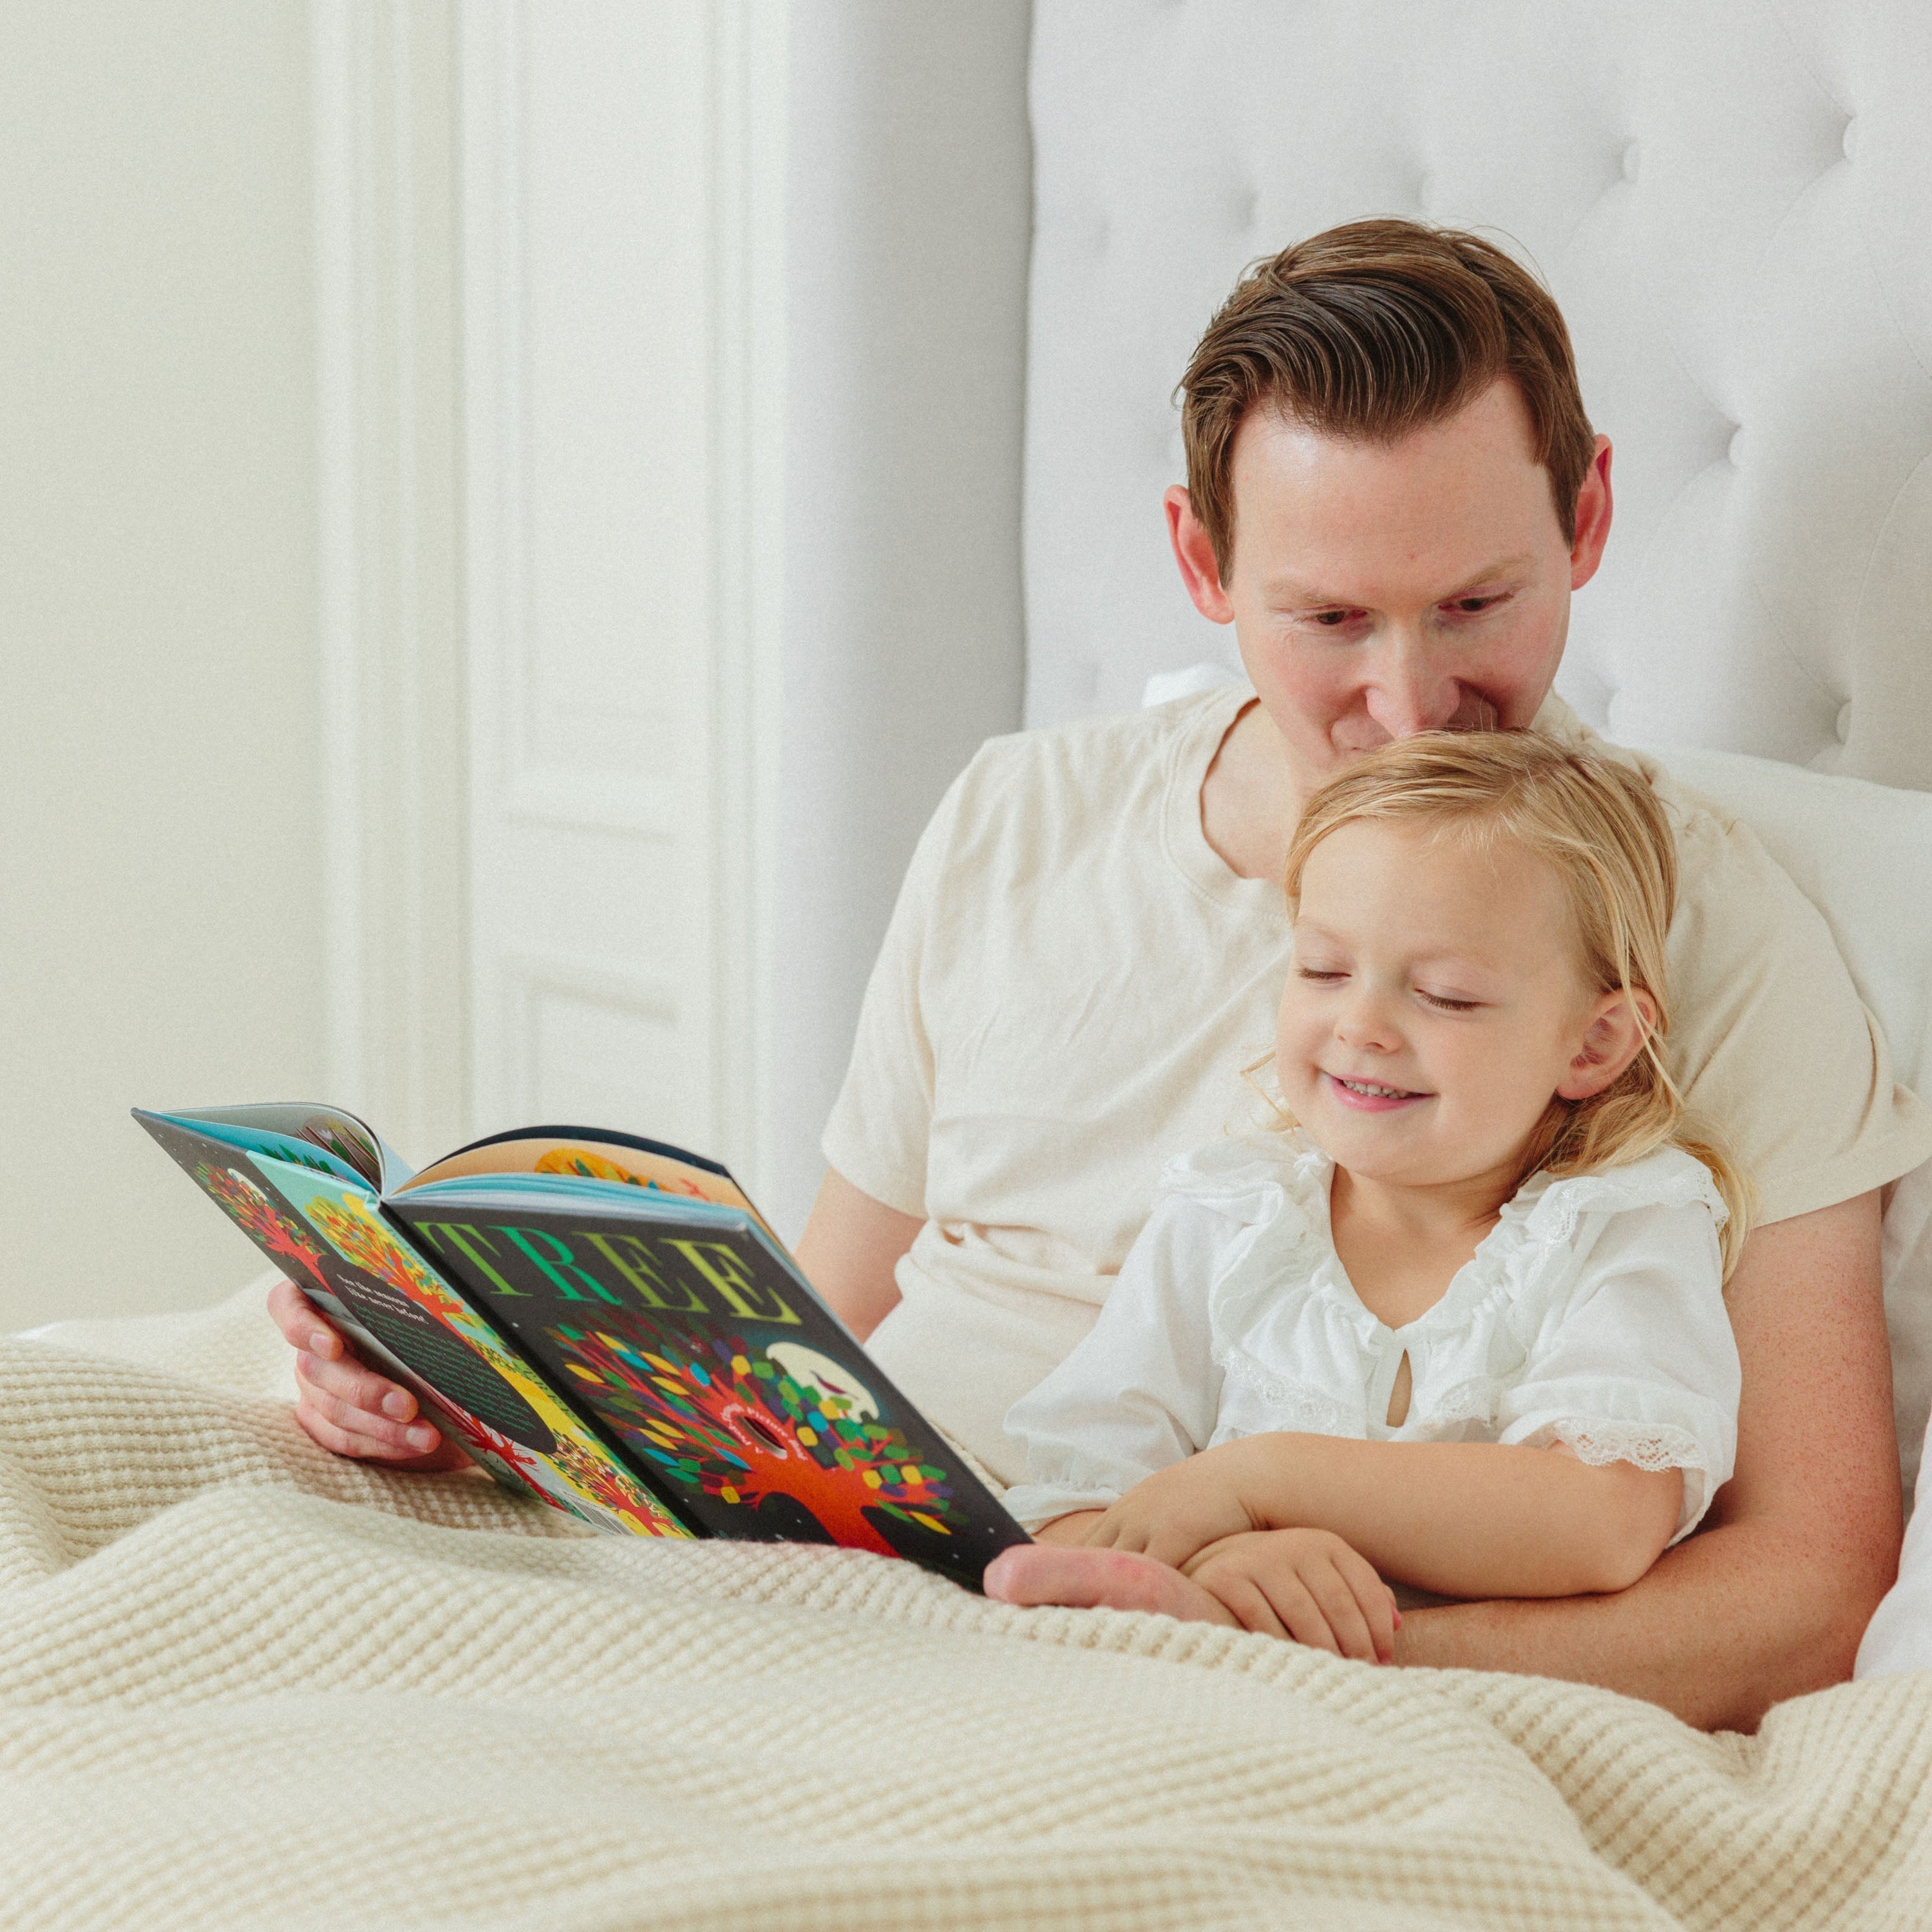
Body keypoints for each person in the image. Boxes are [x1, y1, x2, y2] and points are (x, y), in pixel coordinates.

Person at [270, 220, 1932, 1729]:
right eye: (1331, 619)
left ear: (1586, 520)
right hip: (856, 1571)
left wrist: (1239, 1637)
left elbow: (1806, 1591)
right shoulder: (1017, 816)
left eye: (1479, 603)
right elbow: (818, 1335)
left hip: (1206, 1661)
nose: (1411, 704)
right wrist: (481, 1399)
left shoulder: (1686, 927)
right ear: (1203, 568)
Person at [992, 730, 1747, 1656]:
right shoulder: (1229, 1218)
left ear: (1593, 1044)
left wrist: (1263, 1480)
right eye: (1323, 970)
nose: (1361, 1025)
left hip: (1465, 1706)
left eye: (1446, 995)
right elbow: (1071, 1511)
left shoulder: (1618, 1222)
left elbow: (1604, 1518)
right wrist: (1209, 1568)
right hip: (1208, 1682)